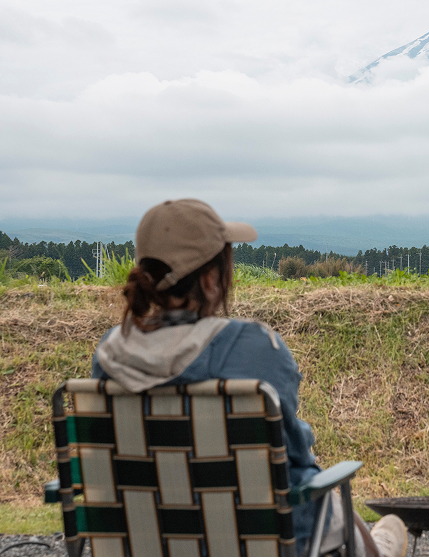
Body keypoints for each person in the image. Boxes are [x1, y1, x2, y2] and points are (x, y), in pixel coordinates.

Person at [91, 199, 408, 556]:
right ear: (210, 280)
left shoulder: (110, 354)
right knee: (381, 531)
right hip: (266, 540)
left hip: (147, 541)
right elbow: (295, 453)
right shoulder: (252, 347)